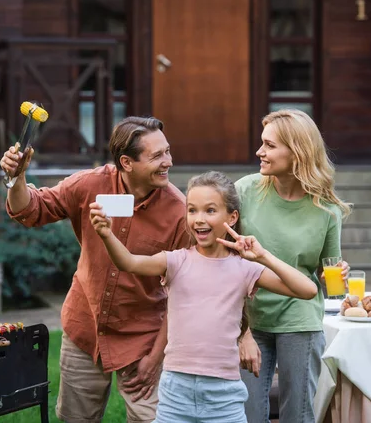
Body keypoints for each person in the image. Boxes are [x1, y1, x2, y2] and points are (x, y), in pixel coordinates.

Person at [0, 116, 190, 423]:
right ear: (126, 162)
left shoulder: (179, 212)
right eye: (157, 156)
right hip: (84, 329)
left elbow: (184, 293)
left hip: (142, 337)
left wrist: (156, 357)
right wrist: (17, 178)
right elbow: (31, 210)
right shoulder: (90, 184)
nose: (167, 161)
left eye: (167, 151)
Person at [90, 170, 318, 423]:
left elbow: (307, 290)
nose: (199, 219)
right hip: (176, 392)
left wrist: (263, 256)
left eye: (210, 210)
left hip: (224, 396)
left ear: (232, 217)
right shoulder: (176, 261)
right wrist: (106, 234)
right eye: (192, 210)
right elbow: (129, 263)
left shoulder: (244, 268)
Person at [236, 109, 352, 423]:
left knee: (297, 415)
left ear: (297, 151)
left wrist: (339, 276)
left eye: (270, 145)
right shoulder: (244, 191)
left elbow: (329, 283)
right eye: (262, 143)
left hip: (300, 320)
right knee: (247, 415)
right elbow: (222, 258)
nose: (260, 152)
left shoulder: (326, 209)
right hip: (250, 318)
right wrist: (241, 331)